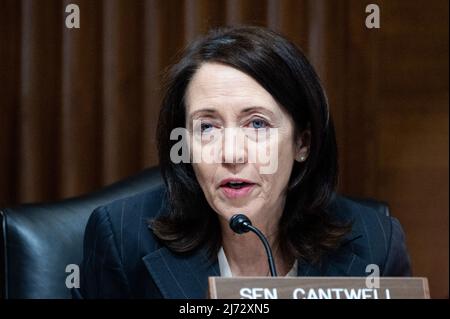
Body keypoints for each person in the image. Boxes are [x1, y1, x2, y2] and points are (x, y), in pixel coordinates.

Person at [74, 26, 411, 299]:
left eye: (257, 124)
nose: (232, 154)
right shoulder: (122, 238)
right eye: (207, 127)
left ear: (302, 143)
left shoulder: (374, 244)